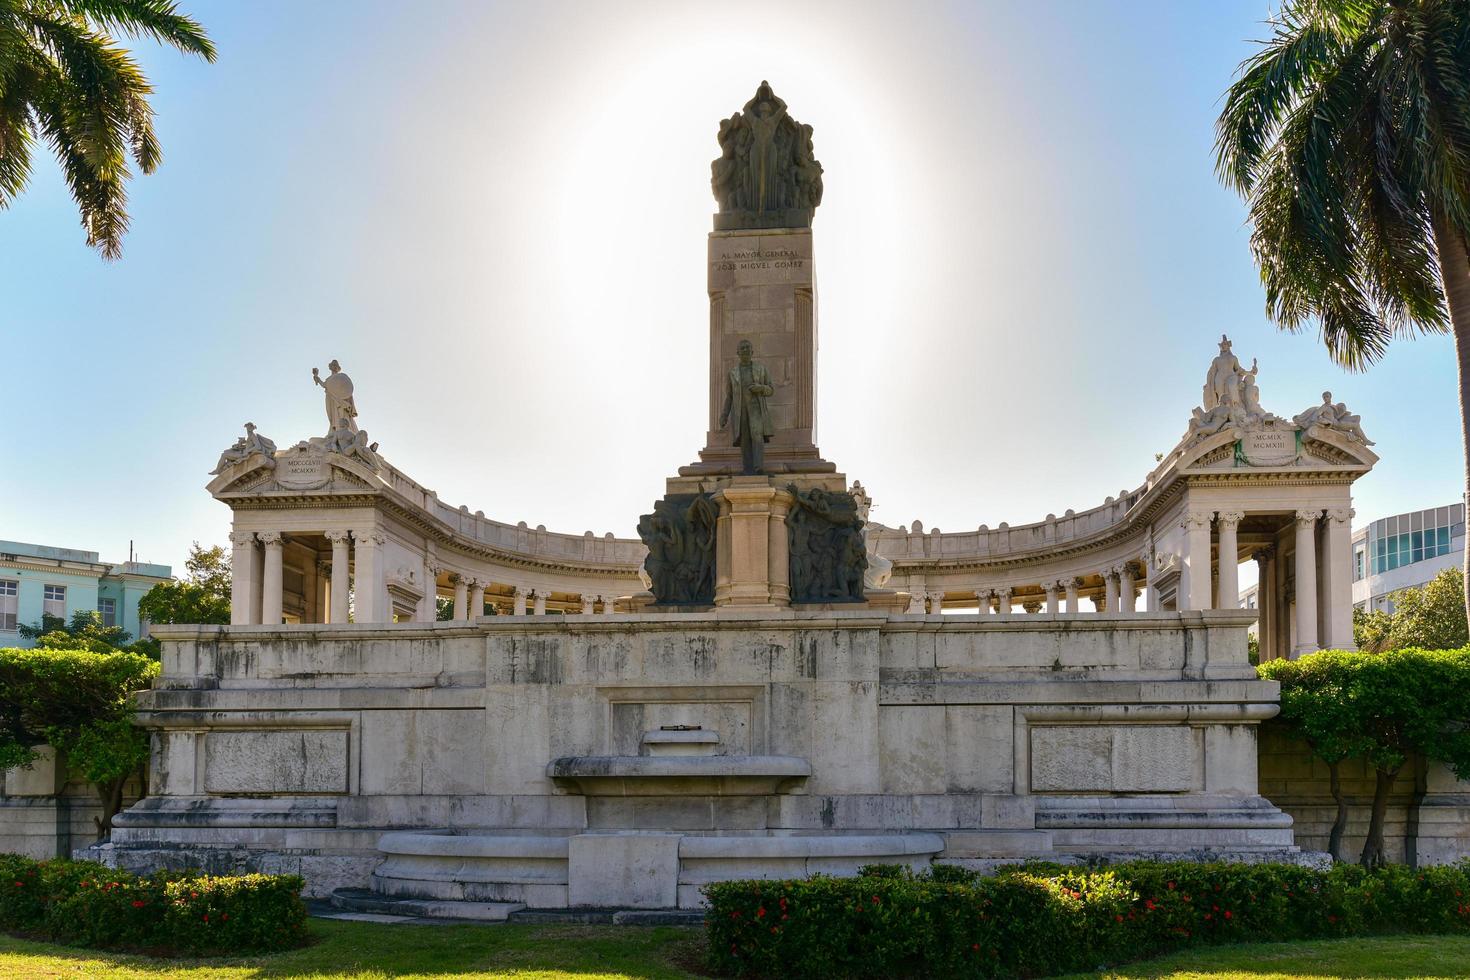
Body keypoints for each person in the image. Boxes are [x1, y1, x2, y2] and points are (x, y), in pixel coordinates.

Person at [719, 339, 775, 475]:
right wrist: (724, 415)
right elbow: (730, 396)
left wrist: (760, 388)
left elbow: (771, 389)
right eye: (742, 348)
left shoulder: (760, 369)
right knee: (744, 439)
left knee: (757, 436)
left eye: (747, 347)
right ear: (738, 352)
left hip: (756, 408)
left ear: (752, 352)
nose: (745, 350)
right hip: (739, 410)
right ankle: (747, 468)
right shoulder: (733, 373)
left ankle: (758, 467)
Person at [313, 360, 357, 437]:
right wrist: (316, 376)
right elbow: (323, 385)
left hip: (341, 401)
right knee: (334, 416)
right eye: (333, 365)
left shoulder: (341, 377)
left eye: (335, 366)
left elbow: (347, 390)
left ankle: (343, 430)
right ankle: (335, 430)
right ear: (330, 367)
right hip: (332, 400)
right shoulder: (329, 379)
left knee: (341, 415)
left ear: (337, 368)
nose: (334, 367)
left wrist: (345, 398)